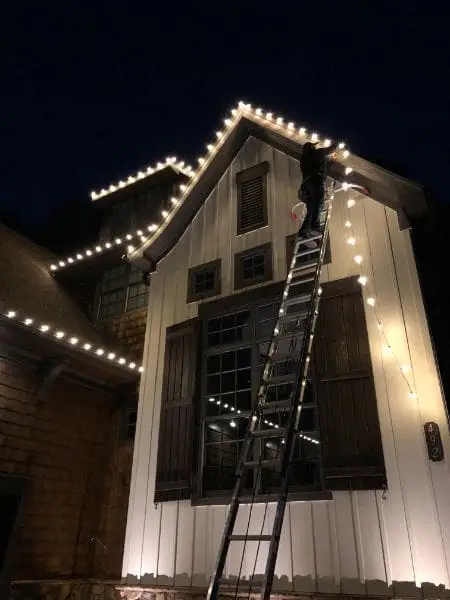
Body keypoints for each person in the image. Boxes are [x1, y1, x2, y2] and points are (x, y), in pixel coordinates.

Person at [298, 141, 338, 239]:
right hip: (315, 182)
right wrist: (336, 145)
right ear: (312, 148)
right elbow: (329, 150)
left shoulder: (304, 159)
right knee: (319, 203)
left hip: (306, 186)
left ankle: (304, 230)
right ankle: (314, 226)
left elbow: (322, 166)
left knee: (312, 209)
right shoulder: (316, 153)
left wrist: (331, 161)